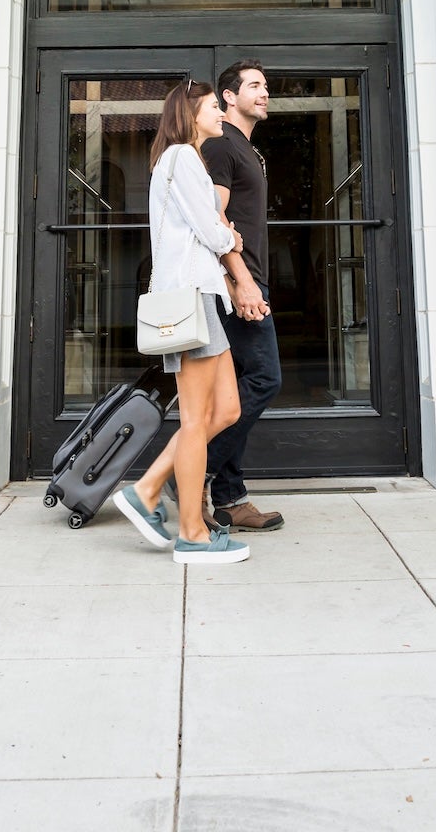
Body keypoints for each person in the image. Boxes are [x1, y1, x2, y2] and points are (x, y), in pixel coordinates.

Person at [112, 79, 251, 566]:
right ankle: (191, 534)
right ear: (192, 113)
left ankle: (147, 488)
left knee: (226, 410)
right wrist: (228, 235)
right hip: (191, 298)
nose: (220, 114)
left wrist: (221, 233)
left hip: (204, 299)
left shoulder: (182, 160)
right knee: (195, 421)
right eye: (215, 107)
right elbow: (210, 232)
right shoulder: (183, 158)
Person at [202, 60, 286, 533]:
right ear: (229, 96)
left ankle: (231, 500)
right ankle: (191, 470)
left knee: (234, 392)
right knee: (265, 379)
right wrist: (241, 282)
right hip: (238, 285)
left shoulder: (246, 149)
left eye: (266, 86)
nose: (264, 93)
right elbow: (215, 223)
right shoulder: (220, 147)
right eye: (255, 85)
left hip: (247, 280)